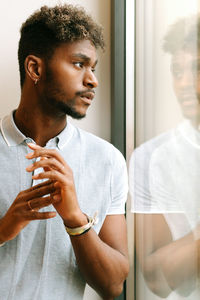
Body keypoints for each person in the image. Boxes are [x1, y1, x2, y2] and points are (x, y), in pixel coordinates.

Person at [0, 4, 129, 300]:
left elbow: (113, 286)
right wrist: (3, 229)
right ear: (35, 68)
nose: (92, 80)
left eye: (93, 68)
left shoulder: (108, 161)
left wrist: (75, 219)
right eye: (78, 64)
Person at [129, 14, 200, 299]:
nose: (183, 83)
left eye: (196, 68)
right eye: (176, 70)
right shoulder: (151, 158)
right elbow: (156, 278)